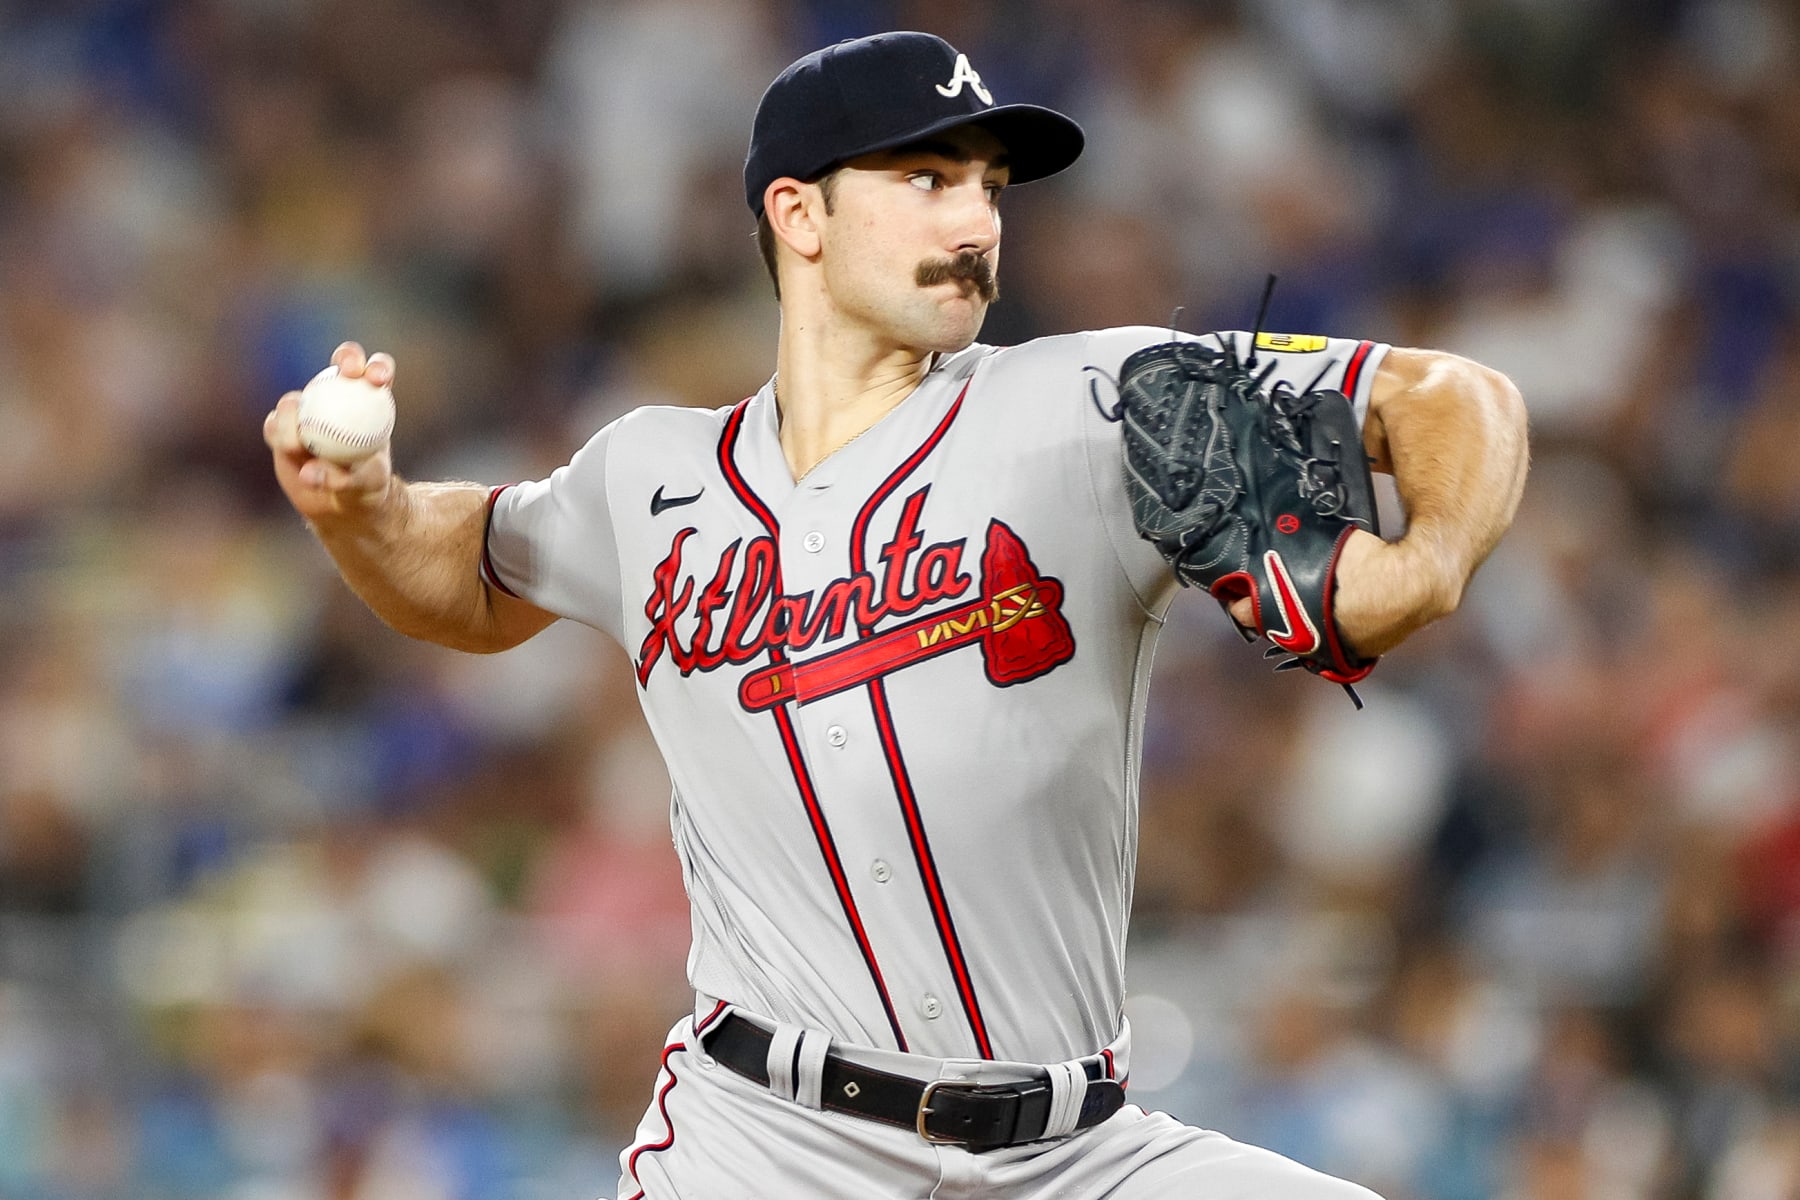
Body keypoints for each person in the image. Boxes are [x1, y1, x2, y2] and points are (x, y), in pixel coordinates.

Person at [264, 30, 1528, 1200]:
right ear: (797, 213)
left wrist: (1428, 569)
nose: (976, 216)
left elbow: (1450, 397)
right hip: (763, 1141)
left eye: (988, 185)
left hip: (1075, 1156)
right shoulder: (646, 474)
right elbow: (471, 576)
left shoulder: (1094, 396)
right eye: (927, 179)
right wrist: (362, 509)